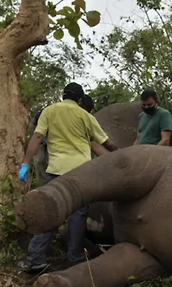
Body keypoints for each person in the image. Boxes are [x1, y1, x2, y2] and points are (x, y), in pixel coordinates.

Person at [17, 83, 119, 273]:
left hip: (56, 170)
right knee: (78, 216)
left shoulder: (49, 111)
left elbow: (38, 137)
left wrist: (25, 163)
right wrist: (121, 156)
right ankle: (75, 259)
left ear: (63, 96)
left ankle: (36, 259)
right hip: (81, 173)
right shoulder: (85, 116)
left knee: (48, 211)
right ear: (80, 100)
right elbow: (105, 143)